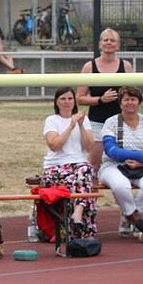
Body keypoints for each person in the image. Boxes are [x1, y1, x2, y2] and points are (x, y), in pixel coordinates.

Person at [98, 86, 143, 237]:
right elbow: (111, 150)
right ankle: (134, 219)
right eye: (126, 100)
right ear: (120, 103)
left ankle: (130, 216)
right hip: (114, 165)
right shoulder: (111, 122)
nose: (130, 103)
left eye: (133, 99)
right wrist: (140, 155)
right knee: (121, 186)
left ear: (139, 103)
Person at [40, 87, 97, 238]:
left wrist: (80, 125)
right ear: (56, 102)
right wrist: (70, 126)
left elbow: (89, 146)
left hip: (79, 167)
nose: (67, 102)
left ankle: (77, 216)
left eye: (70, 98)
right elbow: (54, 145)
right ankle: (82, 228)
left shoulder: (84, 121)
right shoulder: (52, 120)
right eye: (63, 99)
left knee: (85, 172)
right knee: (83, 186)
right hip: (56, 167)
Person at [76, 28, 133, 174]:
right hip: (97, 122)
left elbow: (133, 94)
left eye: (112, 40)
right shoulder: (89, 67)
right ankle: (90, 195)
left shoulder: (126, 66)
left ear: (118, 45)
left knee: (122, 162)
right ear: (100, 44)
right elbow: (80, 98)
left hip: (121, 121)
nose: (109, 43)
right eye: (105, 40)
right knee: (94, 163)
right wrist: (101, 99)